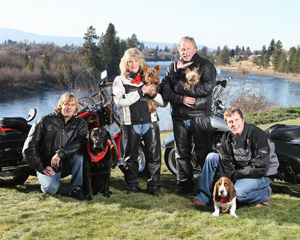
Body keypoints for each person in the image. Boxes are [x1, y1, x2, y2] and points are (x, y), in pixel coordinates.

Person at [185, 107, 279, 208]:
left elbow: (261, 166)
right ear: (227, 124)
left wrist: (237, 175)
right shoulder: (226, 138)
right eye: (230, 122)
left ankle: (264, 193)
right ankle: (203, 197)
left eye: (236, 120)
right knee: (212, 157)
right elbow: (226, 165)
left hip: (260, 173)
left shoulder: (258, 135)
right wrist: (224, 195)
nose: (234, 124)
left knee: (237, 192)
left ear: (242, 120)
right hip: (239, 171)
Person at [160, 36, 216, 194]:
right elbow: (165, 89)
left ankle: (207, 185)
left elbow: (206, 88)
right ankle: (184, 184)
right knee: (181, 152)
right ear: (179, 50)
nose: (185, 52)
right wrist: (180, 98)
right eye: (182, 49)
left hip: (199, 115)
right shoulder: (172, 67)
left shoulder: (205, 65)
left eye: (188, 48)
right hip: (179, 116)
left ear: (195, 49)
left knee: (203, 152)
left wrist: (179, 87)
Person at [113, 48, 166, 196]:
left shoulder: (150, 76)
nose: (134, 64)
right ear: (125, 63)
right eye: (130, 61)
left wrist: (153, 93)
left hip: (151, 122)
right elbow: (120, 101)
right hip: (130, 123)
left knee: (154, 156)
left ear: (140, 61)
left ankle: (154, 186)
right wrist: (141, 92)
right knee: (130, 158)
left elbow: (163, 103)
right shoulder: (120, 80)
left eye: (136, 60)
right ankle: (132, 186)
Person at [22, 93, 88, 200]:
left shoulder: (80, 123)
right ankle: (48, 179)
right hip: (47, 165)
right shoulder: (44, 121)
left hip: (66, 164)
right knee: (51, 189)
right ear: (60, 105)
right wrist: (41, 167)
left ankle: (76, 188)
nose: (69, 107)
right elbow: (28, 149)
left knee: (79, 157)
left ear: (76, 107)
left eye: (72, 104)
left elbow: (81, 143)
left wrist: (60, 153)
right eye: (66, 104)